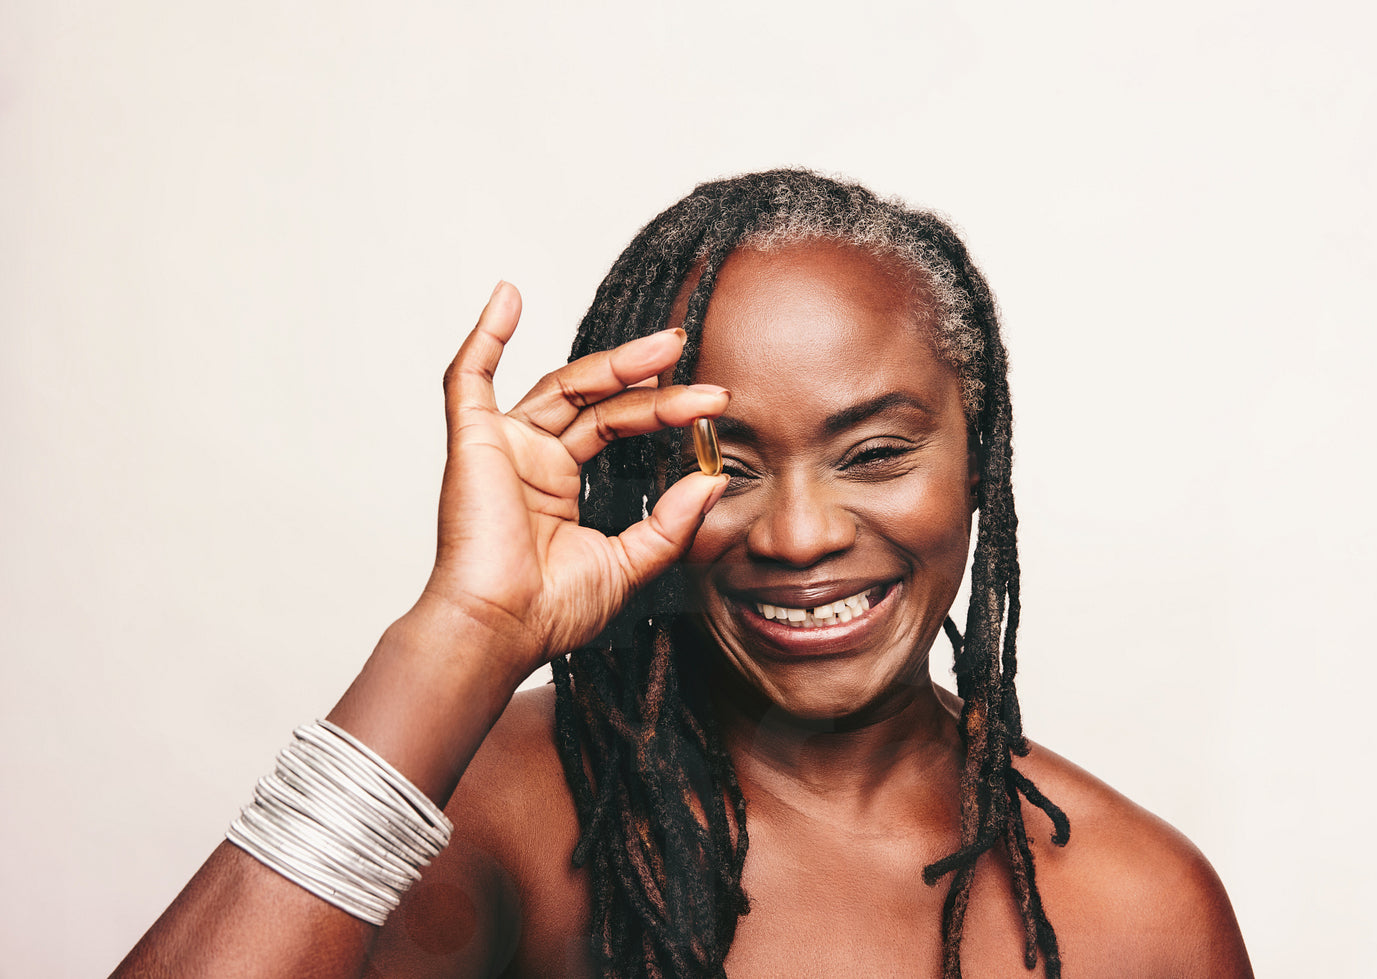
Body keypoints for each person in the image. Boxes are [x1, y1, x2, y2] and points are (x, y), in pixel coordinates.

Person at [111, 170, 1253, 978]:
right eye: (722, 465)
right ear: (640, 475)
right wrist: (461, 631)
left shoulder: (1141, 907)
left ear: (978, 460)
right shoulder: (505, 815)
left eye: (874, 453)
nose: (798, 535)